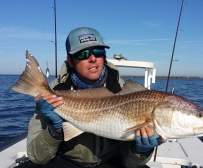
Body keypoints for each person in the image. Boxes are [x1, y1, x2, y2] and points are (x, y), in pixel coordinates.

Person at [19, 27, 164, 168]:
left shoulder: (124, 92)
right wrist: (54, 130)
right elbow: (37, 157)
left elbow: (130, 164)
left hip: (110, 162)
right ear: (70, 61)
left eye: (98, 51)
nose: (93, 58)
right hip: (67, 160)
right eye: (83, 54)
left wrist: (140, 151)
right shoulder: (53, 94)